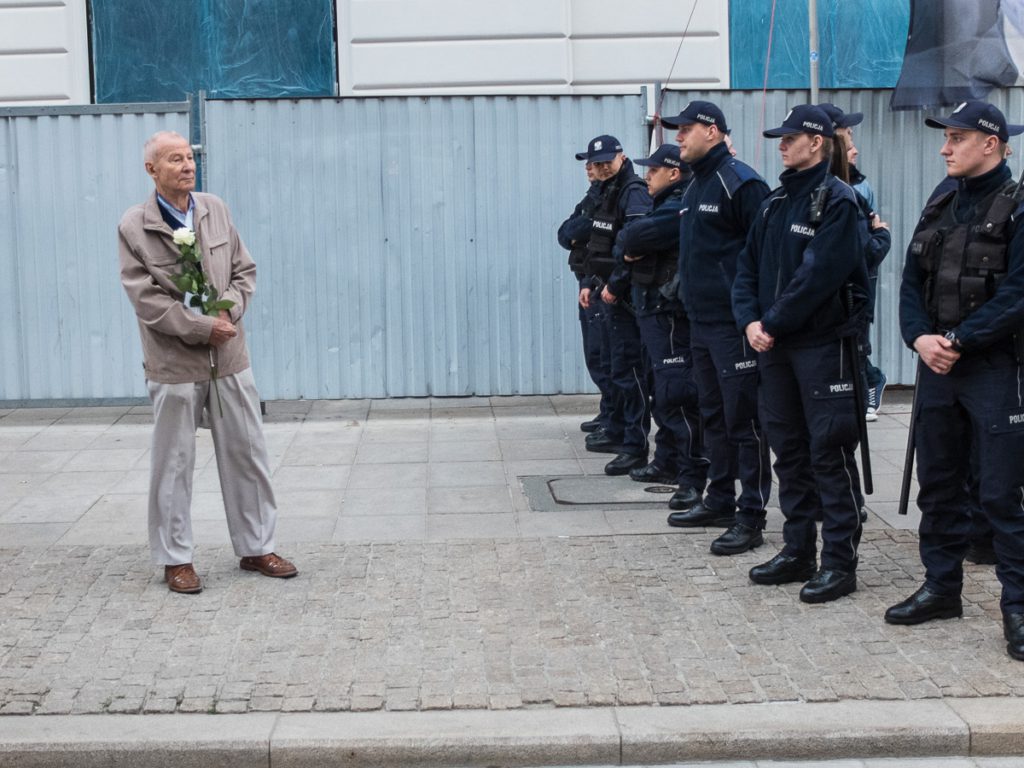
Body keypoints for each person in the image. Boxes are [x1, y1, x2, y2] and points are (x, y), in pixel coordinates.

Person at [118, 130, 297, 594]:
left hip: (229, 356)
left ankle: (258, 547)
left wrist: (227, 312)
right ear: (151, 170)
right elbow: (147, 300)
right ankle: (176, 559)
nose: (187, 165)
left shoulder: (214, 208)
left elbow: (244, 270)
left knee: (247, 453)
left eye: (189, 157)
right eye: (174, 159)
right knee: (172, 463)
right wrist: (200, 328)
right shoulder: (134, 225)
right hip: (174, 364)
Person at [888, 101, 1024, 662]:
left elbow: (1019, 295)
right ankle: (942, 588)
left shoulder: (1018, 206)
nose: (945, 148)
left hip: (994, 369)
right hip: (937, 367)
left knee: (1001, 495)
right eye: (946, 139)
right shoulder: (940, 201)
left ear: (989, 143)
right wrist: (920, 339)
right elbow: (910, 284)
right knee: (938, 483)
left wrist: (959, 342)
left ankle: (1017, 609)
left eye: (956, 138)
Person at [733, 105, 868, 603]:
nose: (782, 145)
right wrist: (749, 321)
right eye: (780, 138)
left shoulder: (838, 201)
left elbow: (820, 276)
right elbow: (745, 268)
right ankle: (797, 549)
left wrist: (771, 322)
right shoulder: (773, 203)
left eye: (790, 138)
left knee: (828, 451)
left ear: (817, 142)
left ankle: (839, 562)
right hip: (774, 347)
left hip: (820, 345)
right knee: (787, 450)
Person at [660, 101, 773, 555]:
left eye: (686, 130)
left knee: (745, 421)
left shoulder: (740, 182)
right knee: (714, 416)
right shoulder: (695, 185)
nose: (679, 138)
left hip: (733, 325)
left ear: (712, 131)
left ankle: (752, 515)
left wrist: (754, 317)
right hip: (700, 322)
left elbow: (765, 254)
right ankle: (720, 499)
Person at [614, 143, 708, 502]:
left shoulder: (678, 204)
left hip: (668, 313)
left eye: (652, 171)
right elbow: (625, 238)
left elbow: (633, 236)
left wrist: (630, 242)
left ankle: (690, 476)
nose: (645, 177)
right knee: (663, 392)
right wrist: (628, 243)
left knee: (677, 395)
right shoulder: (661, 205)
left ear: (672, 173)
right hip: (652, 312)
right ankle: (668, 460)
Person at [575, 135, 653, 474]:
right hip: (606, 291)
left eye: (607, 160)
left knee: (629, 372)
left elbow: (635, 243)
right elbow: (584, 240)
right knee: (614, 366)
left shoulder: (632, 191)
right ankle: (622, 433)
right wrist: (592, 282)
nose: (601, 167)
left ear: (621, 157)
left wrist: (615, 285)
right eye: (596, 162)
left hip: (623, 296)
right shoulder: (606, 191)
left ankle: (633, 445)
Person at [819, 104, 890, 421]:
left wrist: (881, 237)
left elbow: (866, 246)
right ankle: (868, 381)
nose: (855, 149)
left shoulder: (858, 188)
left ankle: (867, 386)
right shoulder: (820, 189)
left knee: (858, 337)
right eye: (848, 139)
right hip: (832, 289)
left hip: (861, 279)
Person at [558, 161, 611, 434]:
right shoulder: (592, 196)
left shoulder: (615, 196)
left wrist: (580, 232)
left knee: (605, 352)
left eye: (594, 164)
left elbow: (584, 231)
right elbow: (566, 233)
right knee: (595, 352)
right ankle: (609, 411)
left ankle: (615, 417)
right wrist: (578, 234)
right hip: (587, 281)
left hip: (601, 283)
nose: (588, 169)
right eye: (587, 164)